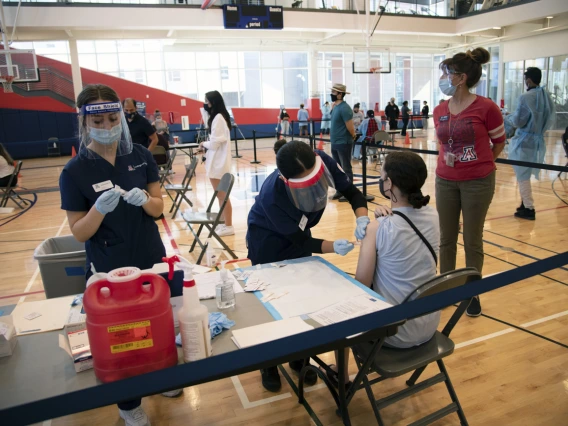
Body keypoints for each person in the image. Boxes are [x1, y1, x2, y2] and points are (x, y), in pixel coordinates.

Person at [59, 84, 180, 426]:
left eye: (114, 118)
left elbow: (158, 210)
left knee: (158, 323)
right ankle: (128, 402)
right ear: (84, 123)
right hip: (110, 264)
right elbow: (80, 231)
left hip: (149, 253)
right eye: (99, 120)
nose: (108, 125)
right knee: (124, 335)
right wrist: (97, 210)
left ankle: (162, 378)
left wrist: (146, 200)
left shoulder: (140, 156)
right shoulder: (75, 171)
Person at [246, 140, 371, 392]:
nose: (314, 188)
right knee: (273, 302)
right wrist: (333, 246)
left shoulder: (322, 159)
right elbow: (302, 240)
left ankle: (297, 355)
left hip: (299, 235)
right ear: (287, 181)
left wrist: (362, 217)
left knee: (300, 297)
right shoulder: (273, 197)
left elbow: (352, 193)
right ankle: (268, 362)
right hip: (268, 242)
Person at [328, 151, 440, 387]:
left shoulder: (379, 228)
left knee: (345, 300)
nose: (380, 180)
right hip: (428, 325)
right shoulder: (433, 215)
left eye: (382, 176)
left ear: (389, 183)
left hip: (395, 333)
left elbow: (361, 285)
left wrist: (373, 227)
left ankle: (340, 372)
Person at [434, 47, 506, 317]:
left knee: (473, 240)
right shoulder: (440, 109)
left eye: (448, 73)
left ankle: (471, 292)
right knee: (446, 238)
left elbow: (498, 142)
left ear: (461, 77)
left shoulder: (486, 107)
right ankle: (447, 288)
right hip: (445, 181)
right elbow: (443, 144)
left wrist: (481, 164)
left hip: (477, 182)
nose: (444, 77)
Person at [504, 67, 555, 220]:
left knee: (522, 175)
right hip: (537, 140)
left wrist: (508, 117)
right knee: (524, 174)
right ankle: (524, 204)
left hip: (524, 141)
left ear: (528, 80)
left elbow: (519, 121)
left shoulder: (526, 97)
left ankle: (529, 207)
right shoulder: (546, 96)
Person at [199, 90, 234, 237]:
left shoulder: (219, 118)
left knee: (222, 196)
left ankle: (229, 226)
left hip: (218, 164)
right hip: (217, 162)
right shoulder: (218, 117)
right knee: (220, 196)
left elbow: (215, 143)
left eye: (207, 101)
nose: (205, 104)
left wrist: (203, 144)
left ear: (213, 102)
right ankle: (224, 223)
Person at [329, 83, 356, 202]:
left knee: (346, 167)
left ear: (340, 94)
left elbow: (350, 127)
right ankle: (340, 190)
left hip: (343, 142)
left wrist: (353, 135)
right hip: (335, 142)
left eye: (334, 92)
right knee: (338, 168)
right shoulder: (335, 107)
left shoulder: (345, 108)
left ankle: (348, 191)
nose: (332, 94)